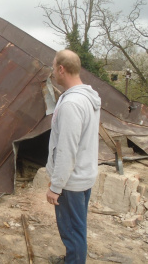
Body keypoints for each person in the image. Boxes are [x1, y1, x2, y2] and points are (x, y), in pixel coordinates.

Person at [46, 50, 101, 264]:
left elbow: (67, 149)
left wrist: (56, 186)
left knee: (72, 231)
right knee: (77, 227)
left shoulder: (71, 104)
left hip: (71, 181)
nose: (52, 72)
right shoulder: (87, 97)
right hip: (83, 174)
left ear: (61, 69)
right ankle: (72, 259)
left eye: (53, 68)